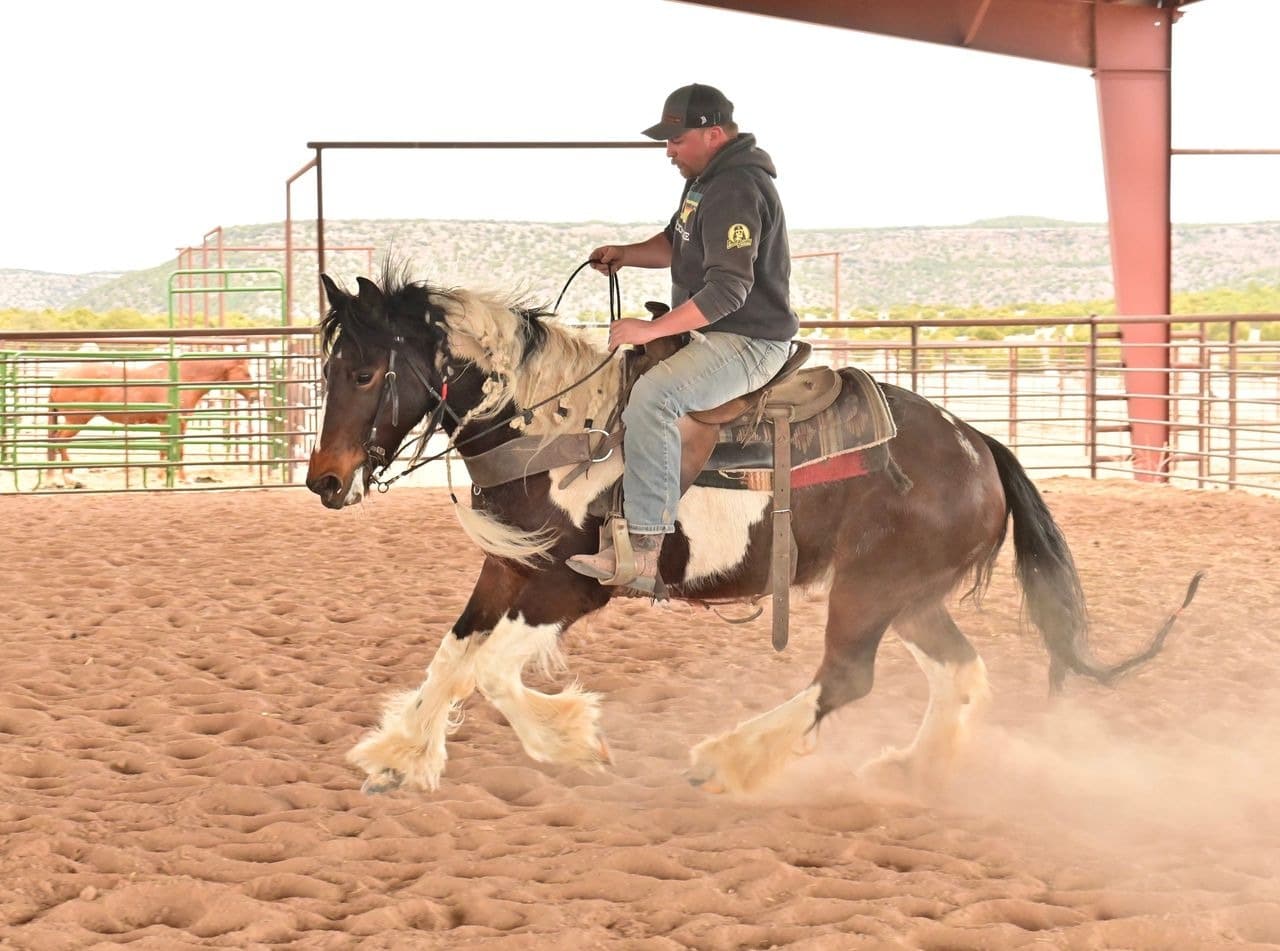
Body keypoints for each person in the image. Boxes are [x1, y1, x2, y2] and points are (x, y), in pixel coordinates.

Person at [567, 82, 799, 595]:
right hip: (714, 333)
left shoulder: (737, 188)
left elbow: (728, 292)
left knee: (654, 397)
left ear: (713, 133)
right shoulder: (705, 183)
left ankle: (645, 550)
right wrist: (627, 253)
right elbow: (675, 243)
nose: (668, 151)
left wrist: (650, 329)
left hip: (748, 340)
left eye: (676, 140)